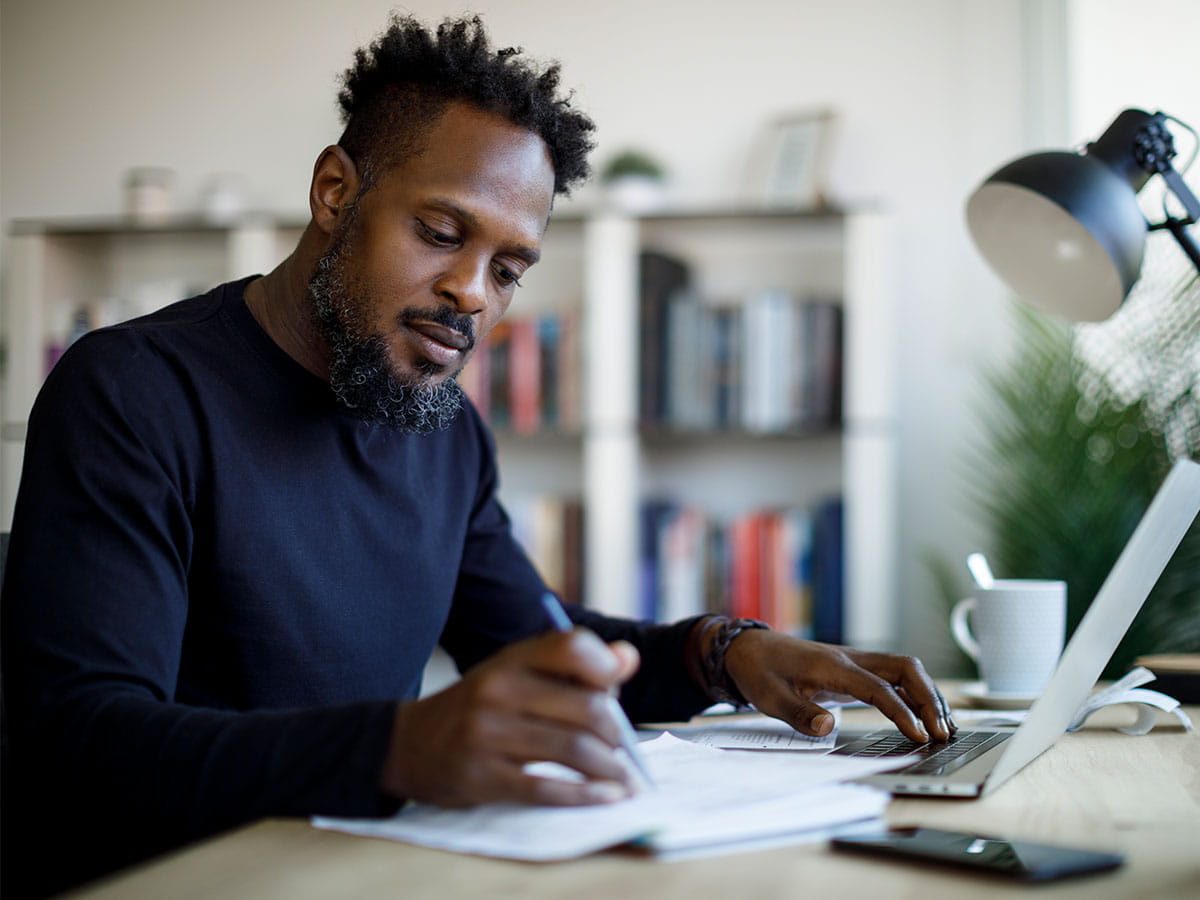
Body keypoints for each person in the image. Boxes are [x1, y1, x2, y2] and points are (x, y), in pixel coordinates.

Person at [0, 14, 954, 897]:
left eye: (507, 269)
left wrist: (724, 652)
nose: (469, 293)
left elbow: (542, 640)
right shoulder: (132, 392)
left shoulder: (445, 430)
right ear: (336, 191)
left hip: (356, 872)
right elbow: (84, 740)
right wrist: (399, 749)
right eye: (441, 233)